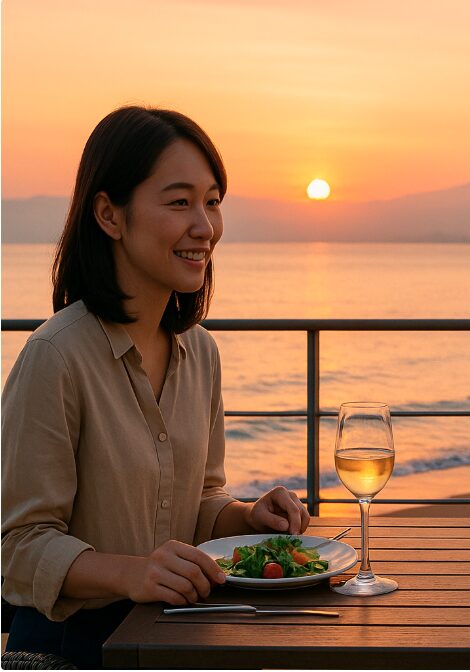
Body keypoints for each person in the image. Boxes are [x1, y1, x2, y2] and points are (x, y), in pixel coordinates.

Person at [1, 107, 311, 668]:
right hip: (72, 648)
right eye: (179, 201)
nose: (205, 226)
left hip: (177, 634)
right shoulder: (56, 356)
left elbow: (196, 503)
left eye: (213, 201)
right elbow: (15, 547)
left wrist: (246, 516)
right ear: (109, 215)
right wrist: (132, 572)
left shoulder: (202, 354)